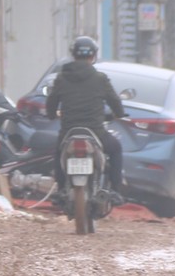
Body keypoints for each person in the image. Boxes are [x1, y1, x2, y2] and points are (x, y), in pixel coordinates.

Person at [45, 36, 126, 190]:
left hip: (68, 133)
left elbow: (51, 102)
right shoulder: (100, 79)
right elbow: (115, 101)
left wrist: (51, 114)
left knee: (58, 151)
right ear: (93, 56)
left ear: (73, 55)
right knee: (116, 149)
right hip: (97, 133)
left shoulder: (61, 78)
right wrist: (119, 114)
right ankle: (116, 190)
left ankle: (61, 188)